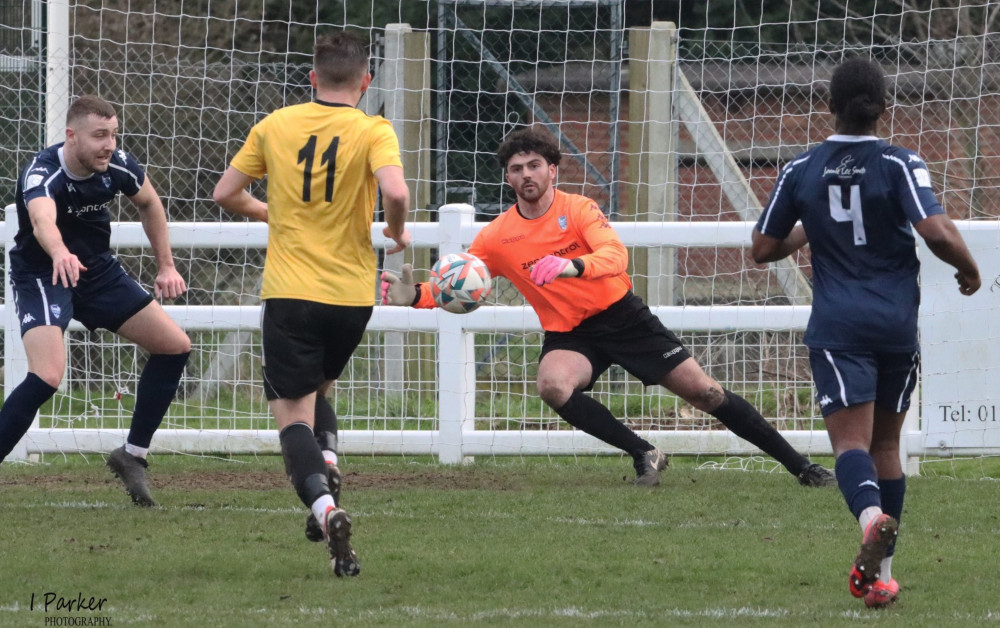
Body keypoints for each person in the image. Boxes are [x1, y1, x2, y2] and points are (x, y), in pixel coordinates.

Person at [381, 127, 834, 489]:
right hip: (571, 335)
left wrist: (569, 265)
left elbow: (616, 257)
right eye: (516, 169)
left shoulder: (579, 210)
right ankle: (643, 452)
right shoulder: (496, 236)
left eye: (534, 165)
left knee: (705, 394)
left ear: (553, 170)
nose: (526, 175)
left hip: (623, 317)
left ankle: (802, 468)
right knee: (553, 386)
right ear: (508, 177)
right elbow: (462, 285)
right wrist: (417, 296)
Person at [752, 57, 981, 608]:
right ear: (884, 108)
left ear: (828, 105)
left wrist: (814, 228)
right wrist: (970, 270)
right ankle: (881, 579)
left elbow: (762, 247)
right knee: (887, 444)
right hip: (896, 324)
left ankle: (872, 517)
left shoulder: (802, 168)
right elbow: (937, 231)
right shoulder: (900, 162)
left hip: (839, 327)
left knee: (850, 445)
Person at [213, 30, 411, 578]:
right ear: (366, 82)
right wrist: (394, 233)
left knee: (290, 416)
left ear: (312, 78)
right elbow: (395, 193)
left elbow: (225, 192)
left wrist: (270, 213)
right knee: (321, 384)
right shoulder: (375, 129)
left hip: (290, 291)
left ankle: (326, 510)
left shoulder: (276, 125)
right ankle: (327, 462)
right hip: (351, 296)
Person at [0, 95, 192, 507]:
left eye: (114, 134)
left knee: (175, 346)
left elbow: (150, 203)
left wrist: (166, 266)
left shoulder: (117, 165)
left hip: (96, 273)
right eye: (99, 135)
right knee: (48, 375)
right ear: (71, 136)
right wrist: (59, 252)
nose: (109, 144)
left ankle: (132, 455)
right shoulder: (43, 173)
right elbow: (40, 220)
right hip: (43, 274)